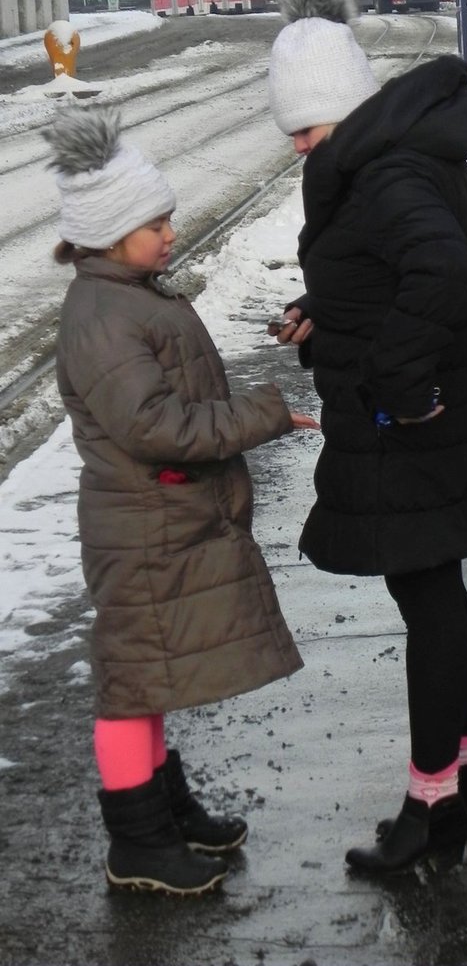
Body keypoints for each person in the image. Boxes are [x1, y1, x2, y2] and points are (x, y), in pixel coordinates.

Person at [44, 107, 319, 897]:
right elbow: (155, 425)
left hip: (159, 522)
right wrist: (262, 414)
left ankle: (164, 812)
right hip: (142, 528)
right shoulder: (103, 316)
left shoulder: (128, 296)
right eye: (152, 223)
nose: (169, 233)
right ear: (106, 231)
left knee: (152, 675)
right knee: (132, 684)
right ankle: (135, 840)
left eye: (165, 218)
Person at [266, 0, 467, 875]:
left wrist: (401, 384)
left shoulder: (386, 168)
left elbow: (441, 273)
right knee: (437, 594)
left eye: (306, 125)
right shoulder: (387, 154)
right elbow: (391, 266)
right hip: (432, 416)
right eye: (289, 128)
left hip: (417, 422)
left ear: (342, 104)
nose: (299, 144)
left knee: (429, 602)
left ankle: (431, 805)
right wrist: (323, 305)